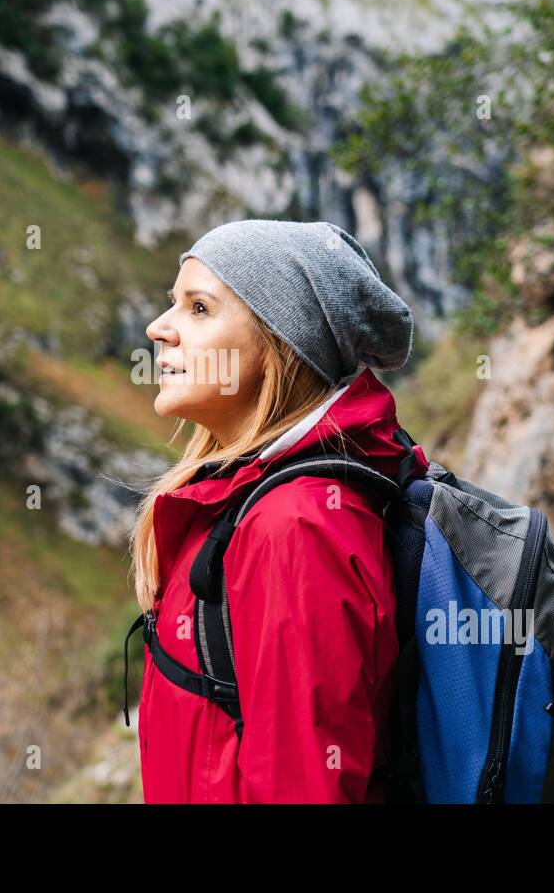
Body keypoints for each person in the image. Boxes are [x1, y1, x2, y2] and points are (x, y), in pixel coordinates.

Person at [130, 218, 415, 803]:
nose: (160, 328)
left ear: (278, 345)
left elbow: (306, 786)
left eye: (199, 308)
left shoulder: (296, 526)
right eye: (171, 305)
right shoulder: (248, 499)